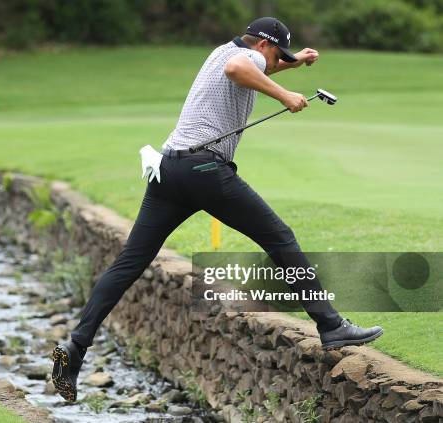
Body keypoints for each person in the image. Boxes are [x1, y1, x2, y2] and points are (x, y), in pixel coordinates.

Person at [51, 16, 383, 403]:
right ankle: (331, 325)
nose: (276, 61)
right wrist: (285, 95)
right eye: (278, 53)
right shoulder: (243, 58)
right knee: (280, 238)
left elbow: (256, 64)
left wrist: (296, 61)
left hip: (168, 168)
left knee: (130, 262)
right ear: (263, 44)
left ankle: (75, 348)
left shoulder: (222, 49)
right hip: (204, 170)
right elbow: (242, 68)